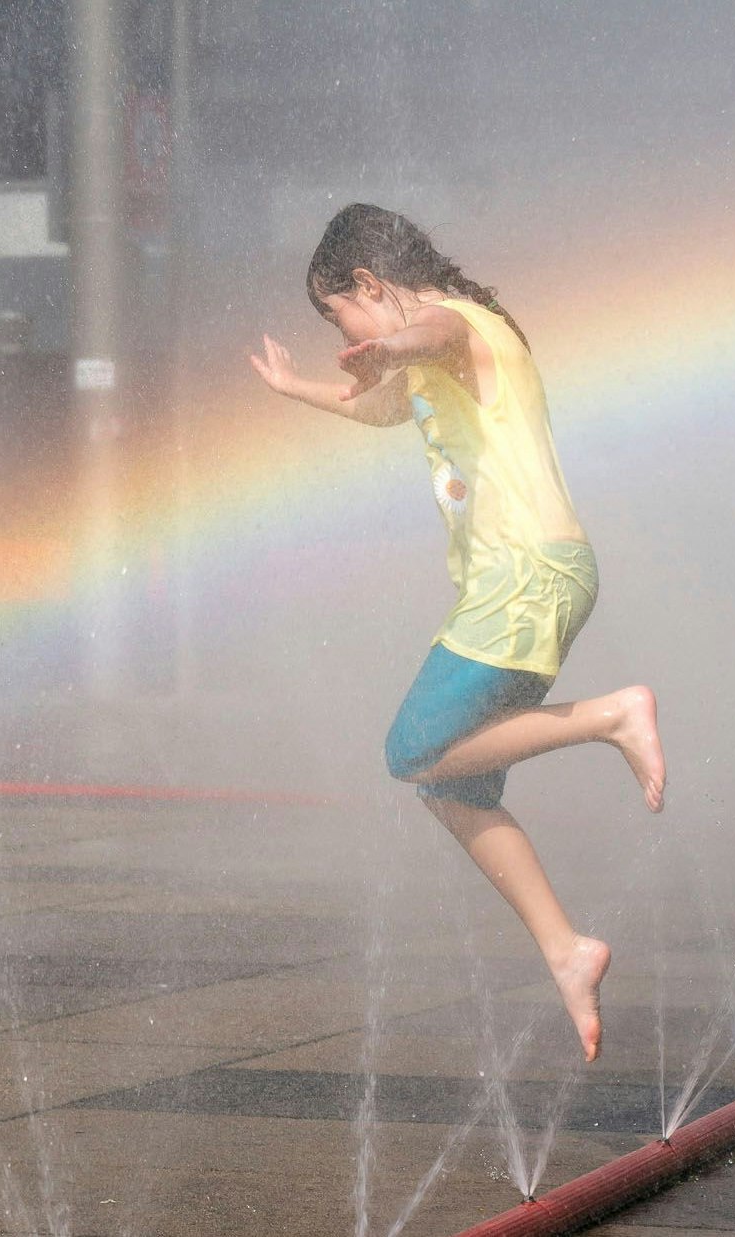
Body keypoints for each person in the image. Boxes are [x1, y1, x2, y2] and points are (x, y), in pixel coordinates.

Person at [249, 204, 666, 1062]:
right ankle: (566, 950)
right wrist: (301, 388)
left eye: (340, 315)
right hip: (523, 584)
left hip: (526, 580)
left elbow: (428, 328)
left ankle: (614, 716)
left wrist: (392, 344)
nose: (345, 334)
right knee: (455, 785)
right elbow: (382, 404)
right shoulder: (440, 354)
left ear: (369, 285)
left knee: (411, 749)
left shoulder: (459, 326)